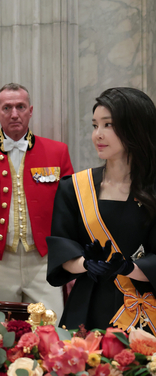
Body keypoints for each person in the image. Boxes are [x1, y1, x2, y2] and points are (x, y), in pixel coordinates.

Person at [47, 87, 156, 331]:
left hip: (144, 311)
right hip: (88, 307)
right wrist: (86, 264)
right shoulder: (74, 187)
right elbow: (62, 249)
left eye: (108, 125)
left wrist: (128, 268)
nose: (98, 134)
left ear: (136, 128)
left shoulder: (153, 190)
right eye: (95, 125)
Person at [0, 83, 73, 313]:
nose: (14, 114)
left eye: (20, 107)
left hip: (43, 259)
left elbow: (71, 210)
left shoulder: (57, 151)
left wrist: (71, 259)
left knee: (52, 329)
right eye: (7, 108)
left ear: (30, 111)